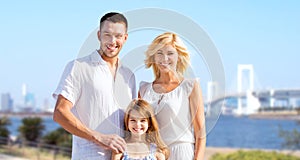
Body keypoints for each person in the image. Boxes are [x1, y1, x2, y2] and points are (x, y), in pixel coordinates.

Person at [52, 12, 136, 160]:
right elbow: (60, 112)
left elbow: (133, 120)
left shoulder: (129, 75)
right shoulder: (78, 67)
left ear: (125, 38)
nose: (112, 41)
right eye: (107, 35)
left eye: (118, 36)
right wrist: (99, 137)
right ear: (99, 35)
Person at [139, 32, 206, 159]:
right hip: (153, 154)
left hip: (181, 152)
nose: (164, 59)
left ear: (179, 56)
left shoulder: (190, 86)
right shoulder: (143, 89)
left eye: (170, 53)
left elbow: (200, 135)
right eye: (159, 53)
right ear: (153, 57)